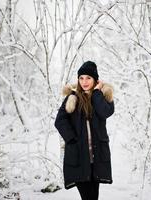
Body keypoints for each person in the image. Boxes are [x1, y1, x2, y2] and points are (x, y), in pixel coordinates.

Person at [54, 61, 114, 200]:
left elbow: (105, 112)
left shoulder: (102, 97)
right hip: (79, 156)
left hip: (97, 158)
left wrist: (97, 92)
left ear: (95, 80)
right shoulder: (72, 98)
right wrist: (72, 139)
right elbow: (60, 121)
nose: (84, 82)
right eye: (81, 78)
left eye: (88, 78)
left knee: (93, 196)